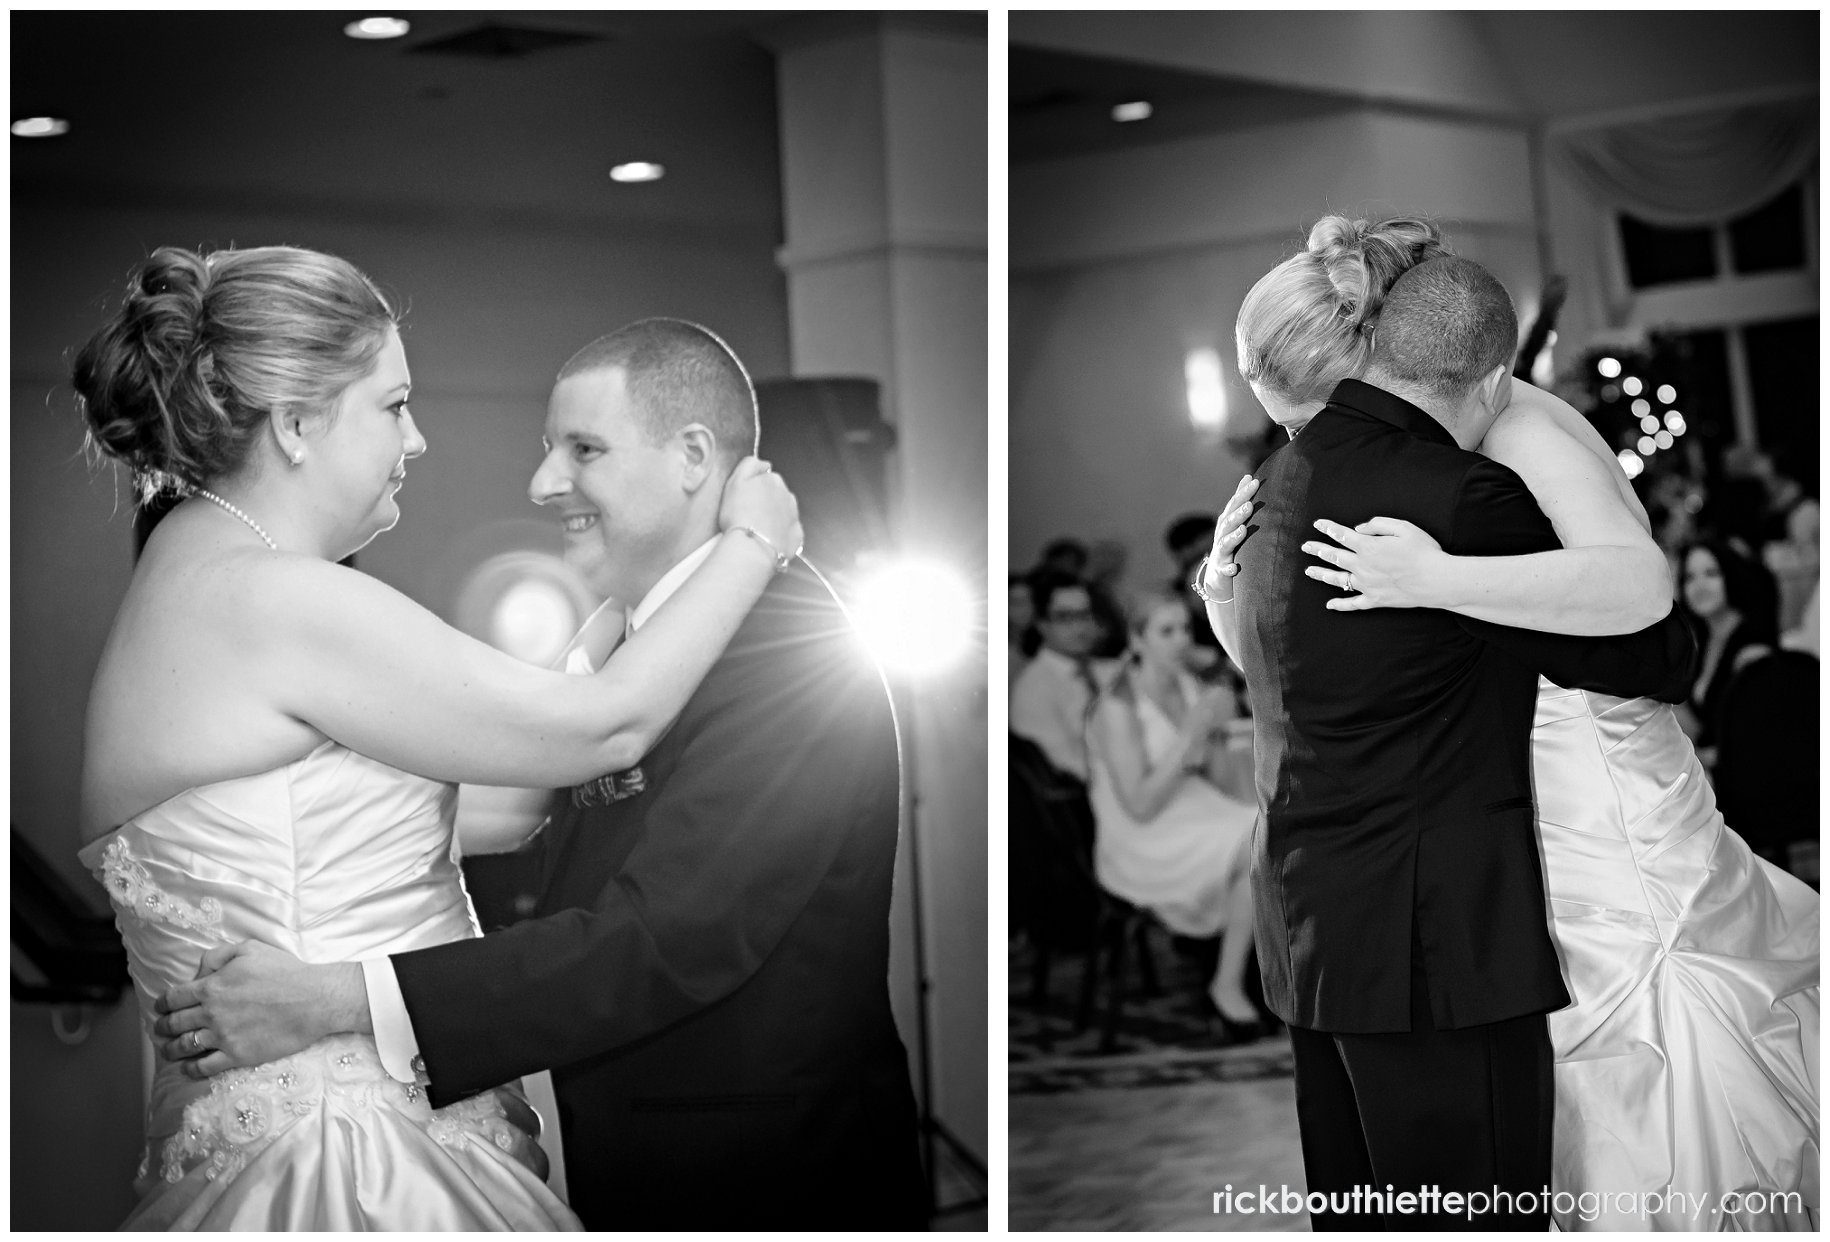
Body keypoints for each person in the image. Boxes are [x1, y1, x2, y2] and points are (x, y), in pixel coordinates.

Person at [69, 250, 802, 1228]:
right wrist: (754, 543)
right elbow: (606, 727)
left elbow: (451, 808)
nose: (416, 439)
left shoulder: (182, 574)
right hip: (351, 1160)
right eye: (394, 404)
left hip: (248, 1137)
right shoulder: (279, 599)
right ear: (294, 424)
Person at [1211, 216, 1818, 1230]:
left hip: (1573, 751)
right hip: (1463, 796)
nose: (1315, 442)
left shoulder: (1505, 429)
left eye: (1309, 415)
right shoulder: (1359, 470)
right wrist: (1229, 589)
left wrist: (1444, 586)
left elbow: (1649, 631)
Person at [1084, 591, 1257, 1036]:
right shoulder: (1116, 706)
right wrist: (1194, 730)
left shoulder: (1190, 687)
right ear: (1137, 639)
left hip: (1194, 805)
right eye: (1166, 631)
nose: (1180, 640)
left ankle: (1242, 975)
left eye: (1185, 628)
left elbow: (1217, 780)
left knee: (1270, 830)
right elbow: (1139, 805)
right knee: (1260, 841)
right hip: (1141, 833)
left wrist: (1217, 732)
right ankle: (1230, 982)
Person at [1675, 538, 1781, 756]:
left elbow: (1757, 740)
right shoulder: (1704, 638)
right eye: (1689, 577)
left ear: (1731, 576)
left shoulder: (1752, 647)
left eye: (1711, 573)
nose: (1699, 586)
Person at [1009, 571, 1107, 784]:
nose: (1080, 627)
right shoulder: (1032, 689)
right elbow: (1065, 771)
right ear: (1042, 624)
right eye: (1065, 617)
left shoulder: (1105, 669)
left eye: (1084, 614)